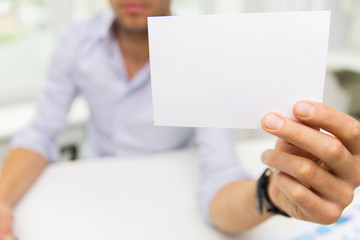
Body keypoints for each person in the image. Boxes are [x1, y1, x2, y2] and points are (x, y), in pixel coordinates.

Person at [0, 0, 359, 239]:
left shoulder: (201, 50)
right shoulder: (76, 39)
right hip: (97, 182)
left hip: (167, 186)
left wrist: (273, 194)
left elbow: (219, 172)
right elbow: (41, 132)